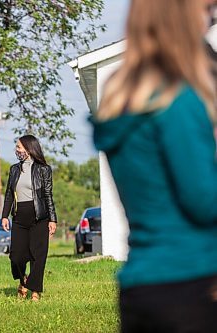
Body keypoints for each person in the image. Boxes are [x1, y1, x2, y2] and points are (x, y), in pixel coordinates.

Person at [91, 0, 217, 331]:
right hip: (192, 281)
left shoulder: (122, 103)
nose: (210, 21)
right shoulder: (178, 100)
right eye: (208, 10)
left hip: (141, 286)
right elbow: (204, 201)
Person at [1, 135, 57, 301]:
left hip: (39, 216)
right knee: (17, 256)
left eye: (19, 147)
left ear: (28, 148)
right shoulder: (14, 169)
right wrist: (5, 216)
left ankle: (35, 291)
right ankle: (23, 280)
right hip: (19, 217)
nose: (16, 150)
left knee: (38, 255)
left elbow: (48, 195)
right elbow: (9, 195)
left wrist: (53, 219)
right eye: (17, 147)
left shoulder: (43, 169)